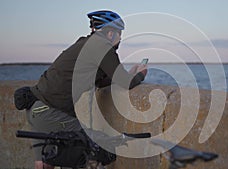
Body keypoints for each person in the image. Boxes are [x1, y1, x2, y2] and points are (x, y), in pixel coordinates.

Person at [25, 10, 147, 169]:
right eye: (119, 33)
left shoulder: (85, 44)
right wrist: (140, 75)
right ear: (110, 33)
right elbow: (125, 82)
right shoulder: (102, 46)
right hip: (51, 113)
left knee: (45, 162)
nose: (120, 38)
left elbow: (102, 80)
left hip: (36, 108)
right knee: (90, 149)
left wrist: (129, 74)